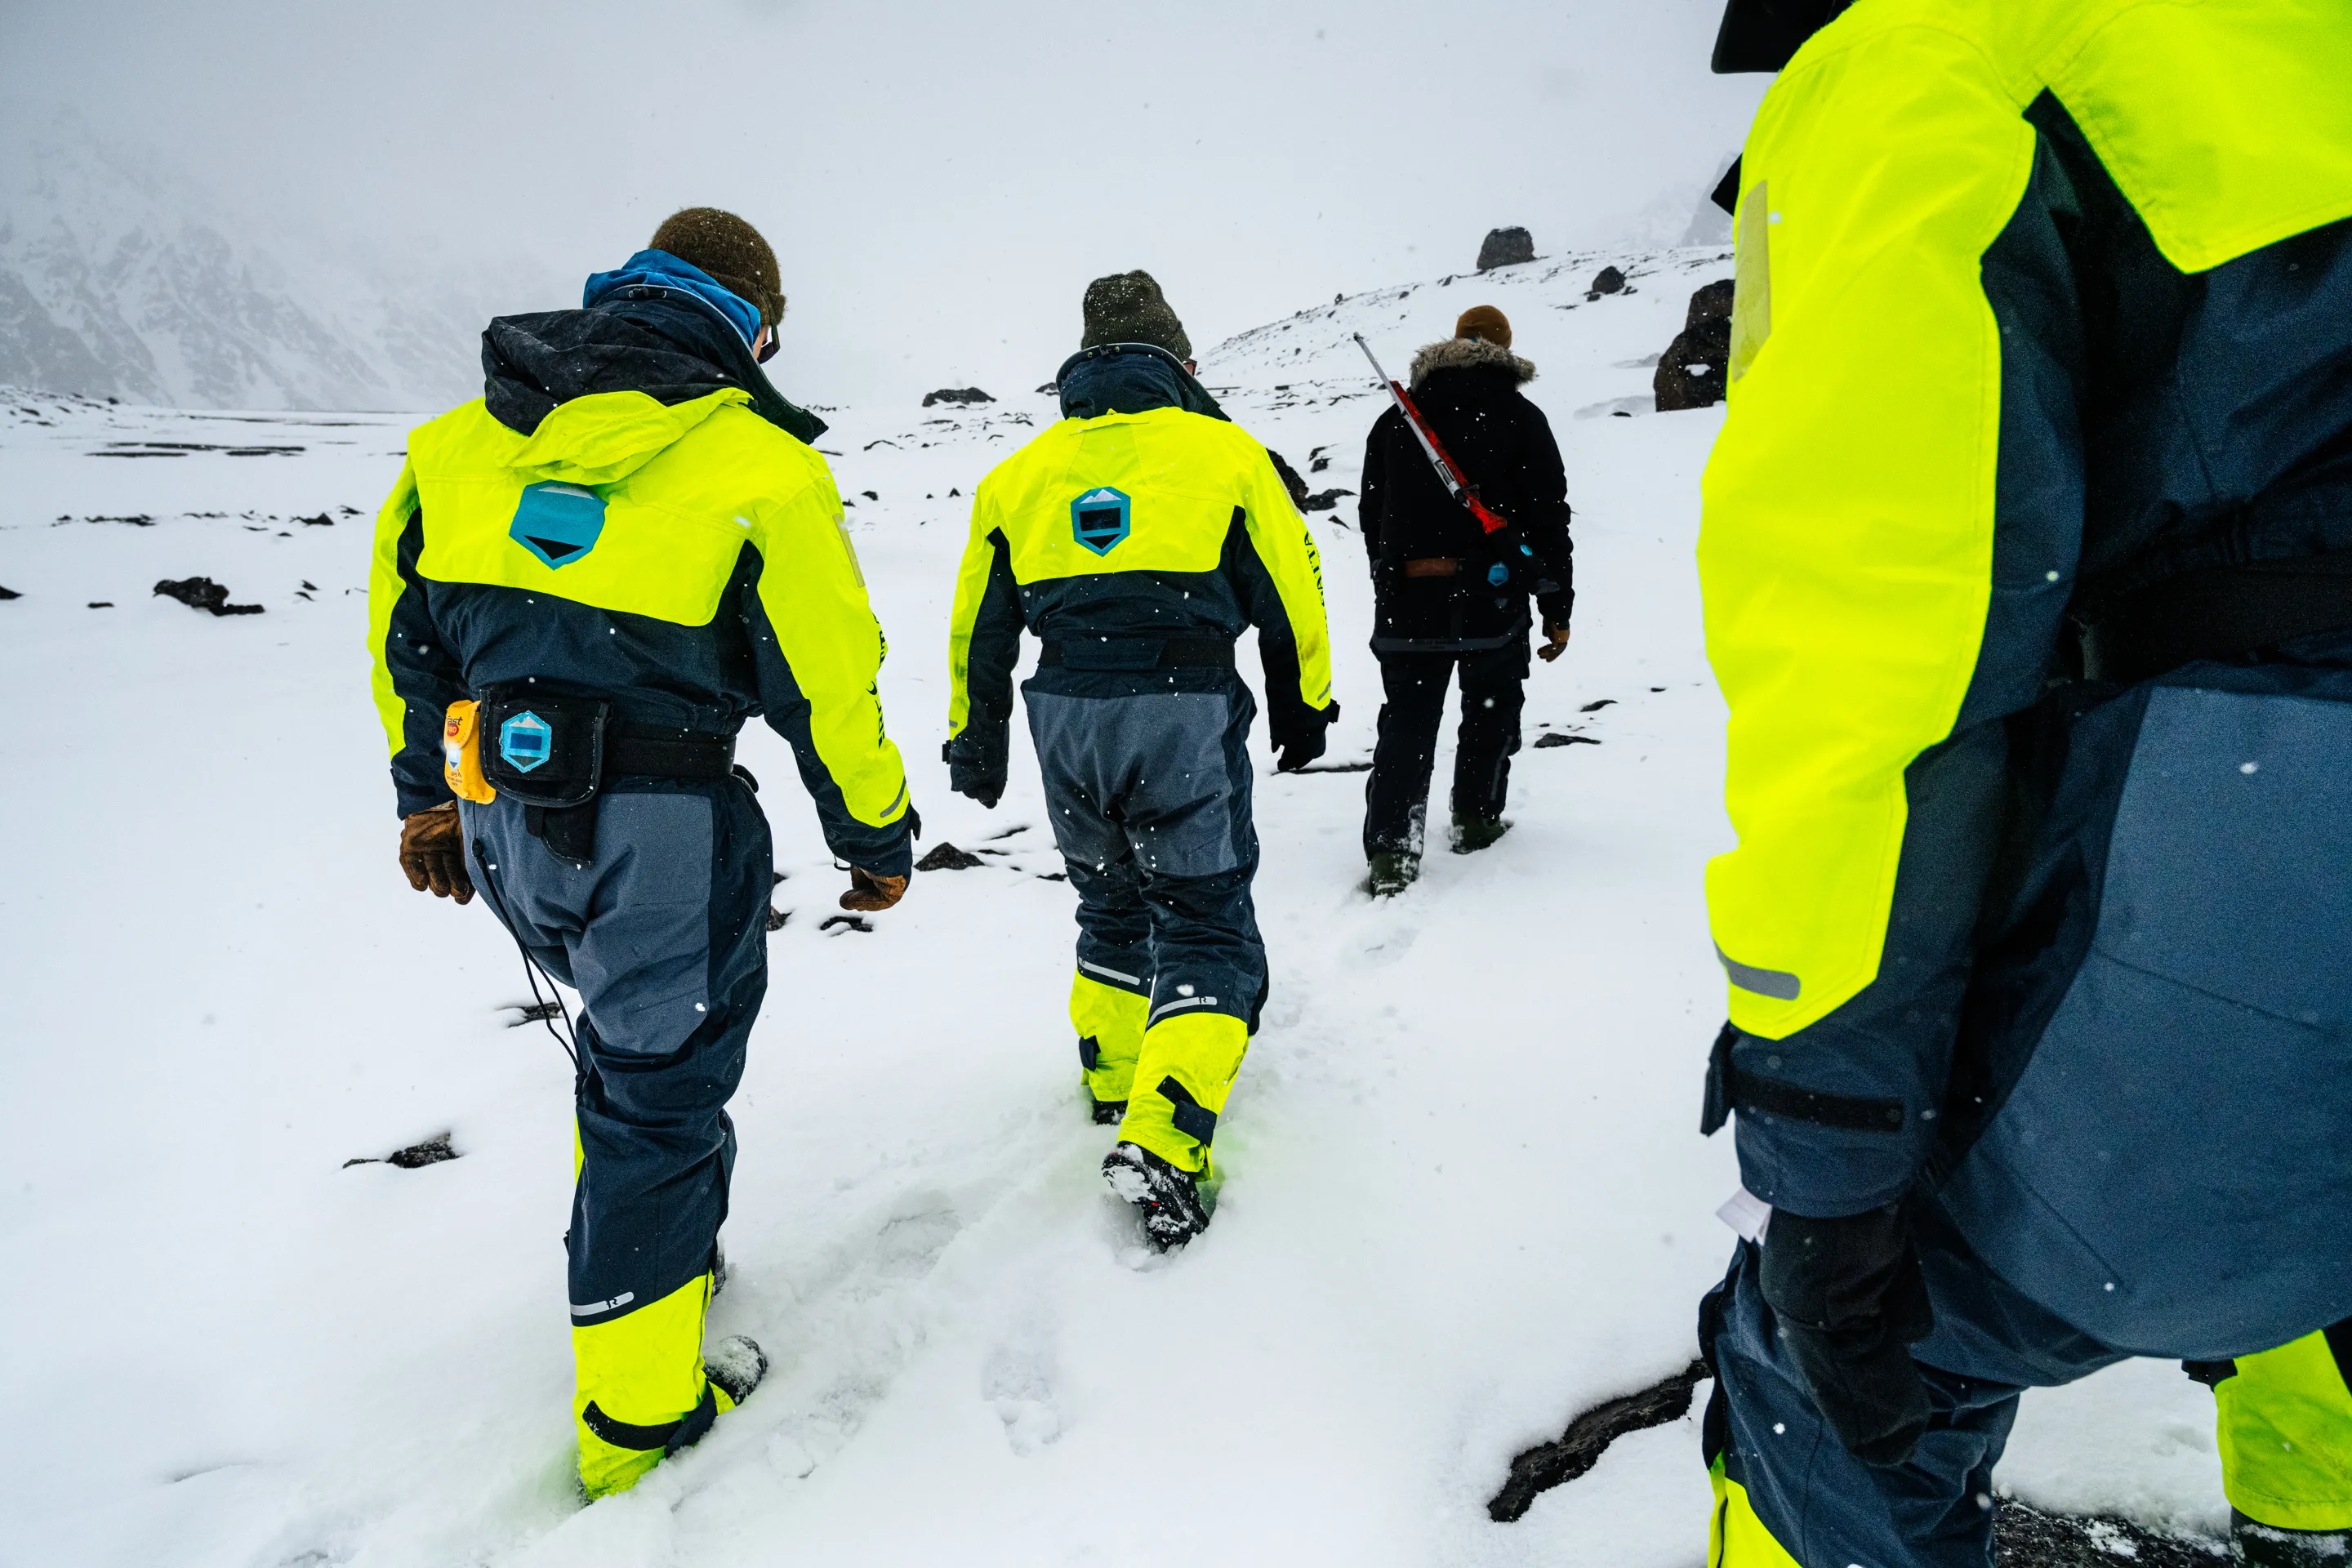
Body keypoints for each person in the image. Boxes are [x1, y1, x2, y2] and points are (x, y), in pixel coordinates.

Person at [1690, 3, 2352, 1565]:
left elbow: (1876, 645)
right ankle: (2313, 1523)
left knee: (1839, 1367)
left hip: (2249, 840)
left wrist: (1829, 1144)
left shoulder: (1940, 56)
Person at [368, 208, 918, 1499]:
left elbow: (411, 640)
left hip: (504, 814)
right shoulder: (760, 466)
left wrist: (426, 802)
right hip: (661, 828)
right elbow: (829, 683)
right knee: (658, 1097)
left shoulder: (453, 446)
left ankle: (658, 1258)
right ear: (756, 324)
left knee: (630, 1074)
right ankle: (634, 1423)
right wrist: (873, 834)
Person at [943, 270, 1338, 1248]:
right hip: (1179, 706)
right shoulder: (1226, 455)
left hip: (1064, 713)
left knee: (1110, 902)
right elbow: (1293, 591)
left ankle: (1115, 1080)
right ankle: (1166, 1138)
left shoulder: (1022, 474)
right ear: (1176, 361)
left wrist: (977, 735)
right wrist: (1306, 702)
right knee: (1206, 924)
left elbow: (977, 628)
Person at [1355, 305, 1574, 897]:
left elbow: (1371, 516)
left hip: (1407, 599)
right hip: (1492, 598)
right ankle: (1476, 819)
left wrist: (1391, 579)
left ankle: (1393, 853)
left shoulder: (1397, 420)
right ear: (1505, 348)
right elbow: (1549, 518)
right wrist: (1558, 609)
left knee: (1407, 721)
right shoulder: (1522, 417)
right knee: (1491, 708)